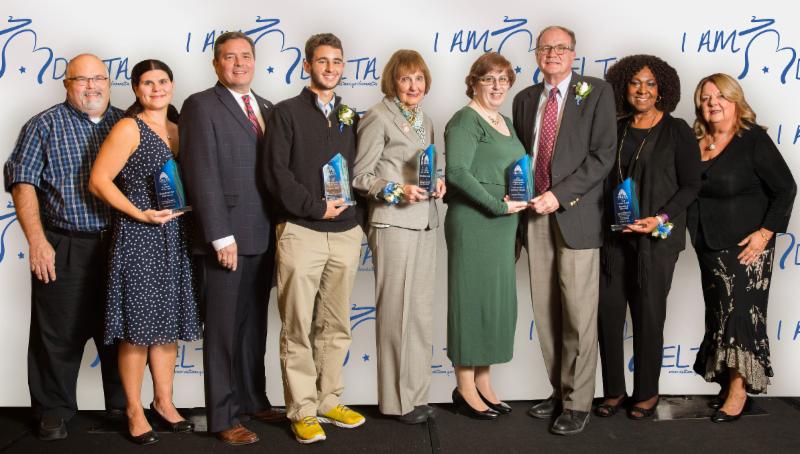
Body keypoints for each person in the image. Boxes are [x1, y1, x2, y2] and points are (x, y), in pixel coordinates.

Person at [3, 53, 126, 441]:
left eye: (98, 78)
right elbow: (23, 182)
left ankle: (123, 406)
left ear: (109, 82)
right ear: (67, 84)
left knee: (120, 328)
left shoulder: (126, 123)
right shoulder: (43, 125)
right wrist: (37, 241)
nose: (91, 86)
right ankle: (53, 410)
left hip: (119, 246)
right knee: (57, 333)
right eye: (81, 79)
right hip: (65, 245)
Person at [88, 59, 200, 445]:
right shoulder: (128, 127)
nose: (156, 88)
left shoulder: (180, 128)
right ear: (136, 89)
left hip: (175, 236)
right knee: (137, 329)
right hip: (139, 236)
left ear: (172, 85)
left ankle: (164, 403)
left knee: (166, 323)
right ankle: (134, 410)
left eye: (162, 81)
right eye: (148, 83)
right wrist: (139, 213)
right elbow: (99, 181)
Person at [511, 25, 616, 435]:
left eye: (560, 47)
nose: (552, 53)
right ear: (537, 53)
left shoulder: (597, 92)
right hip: (534, 215)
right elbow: (521, 156)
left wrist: (559, 195)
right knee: (546, 311)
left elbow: (603, 155)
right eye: (545, 47)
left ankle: (578, 402)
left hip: (576, 215)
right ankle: (558, 391)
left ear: (574, 53)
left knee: (578, 313)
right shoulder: (524, 99)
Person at [180, 31, 283, 445]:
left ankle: (253, 398)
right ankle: (223, 416)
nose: (239, 63)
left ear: (255, 61)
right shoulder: (200, 105)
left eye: (245, 56)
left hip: (264, 232)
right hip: (227, 237)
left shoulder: (268, 108)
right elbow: (200, 171)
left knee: (254, 325)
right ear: (216, 63)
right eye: (229, 57)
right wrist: (220, 235)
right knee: (223, 330)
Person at [263, 33, 365, 444]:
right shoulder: (285, 113)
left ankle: (328, 399)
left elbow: (361, 170)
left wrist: (357, 221)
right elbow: (276, 174)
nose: (330, 68)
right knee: (298, 326)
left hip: (345, 233)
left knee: (336, 325)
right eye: (322, 61)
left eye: (337, 61)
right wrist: (315, 207)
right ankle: (302, 410)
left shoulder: (350, 116)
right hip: (301, 231)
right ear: (307, 66)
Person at [595, 55, 701, 419]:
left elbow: (691, 185)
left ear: (662, 89)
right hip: (614, 239)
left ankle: (646, 392)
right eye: (635, 82)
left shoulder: (677, 130)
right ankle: (613, 390)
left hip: (656, 241)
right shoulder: (616, 127)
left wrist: (660, 218)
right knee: (608, 315)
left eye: (651, 83)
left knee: (648, 316)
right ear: (623, 87)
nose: (643, 90)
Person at [688, 73, 796, 423]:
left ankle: (739, 390)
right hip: (708, 244)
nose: (713, 103)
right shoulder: (696, 141)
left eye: (720, 96)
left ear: (736, 100)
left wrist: (765, 234)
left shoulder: (752, 140)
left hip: (748, 247)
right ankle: (726, 381)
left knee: (740, 316)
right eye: (706, 98)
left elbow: (786, 188)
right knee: (719, 314)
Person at [353, 49, 446, 425]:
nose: (413, 86)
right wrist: (396, 191)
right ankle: (395, 401)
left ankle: (417, 395)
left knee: (419, 315)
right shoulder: (378, 116)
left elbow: (428, 167)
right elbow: (360, 176)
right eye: (406, 78)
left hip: (425, 223)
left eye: (419, 78)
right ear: (393, 81)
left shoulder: (426, 120)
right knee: (395, 315)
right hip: (393, 224)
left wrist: (438, 182)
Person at [444, 52, 529, 421]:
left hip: (504, 222)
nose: (497, 86)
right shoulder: (465, 120)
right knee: (471, 301)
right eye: (489, 79)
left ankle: (484, 381)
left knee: (493, 303)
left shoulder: (505, 121)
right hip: (476, 220)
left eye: (503, 79)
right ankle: (464, 386)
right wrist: (497, 205)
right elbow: (458, 172)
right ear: (474, 83)